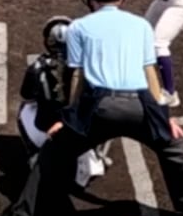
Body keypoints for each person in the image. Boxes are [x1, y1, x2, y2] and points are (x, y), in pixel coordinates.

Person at [0, 0, 183, 216]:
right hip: (140, 105)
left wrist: (68, 119)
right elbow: (150, 73)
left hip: (100, 107)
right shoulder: (141, 25)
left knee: (52, 154)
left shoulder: (79, 27)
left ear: (91, 1)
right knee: (175, 151)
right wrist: (163, 118)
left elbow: (76, 78)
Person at [17, 16, 113, 187]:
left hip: (47, 130)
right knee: (107, 110)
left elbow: (27, 95)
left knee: (24, 109)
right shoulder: (89, 66)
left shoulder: (37, 67)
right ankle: (96, 155)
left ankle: (36, 153)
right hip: (81, 131)